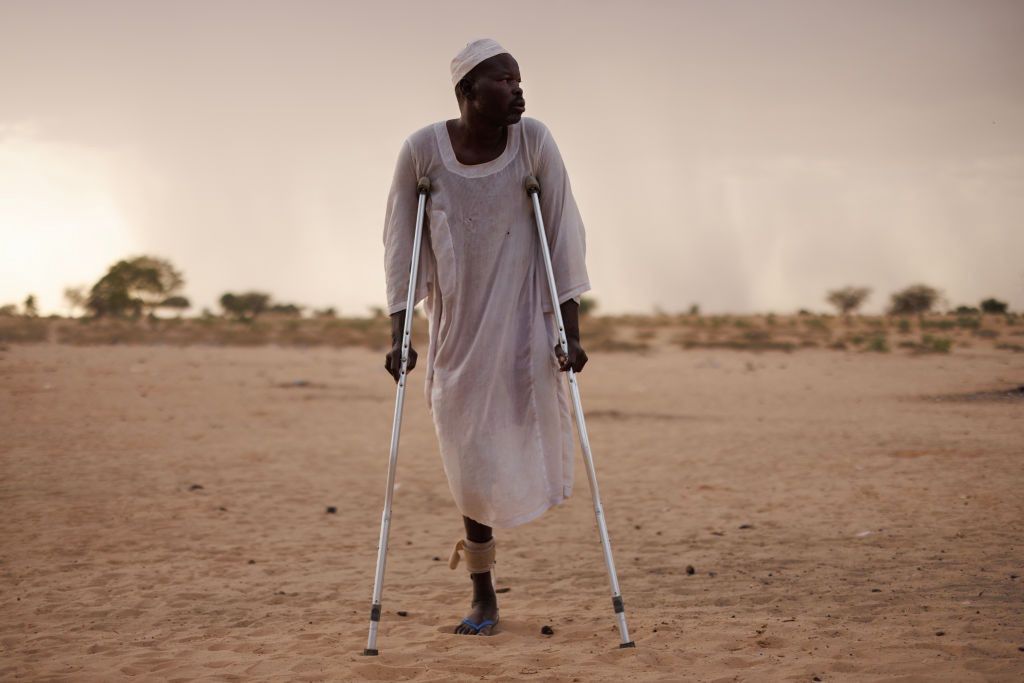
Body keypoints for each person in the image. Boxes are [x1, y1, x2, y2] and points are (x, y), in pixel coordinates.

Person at [381, 38, 590, 636]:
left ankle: (486, 592)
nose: (519, 89)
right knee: (467, 458)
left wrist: (568, 332)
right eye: (504, 80)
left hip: (524, 318)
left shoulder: (535, 142)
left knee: (516, 437)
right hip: (456, 328)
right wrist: (400, 331)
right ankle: (483, 592)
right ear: (468, 91)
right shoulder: (422, 152)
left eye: (520, 78)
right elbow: (402, 245)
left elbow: (562, 234)